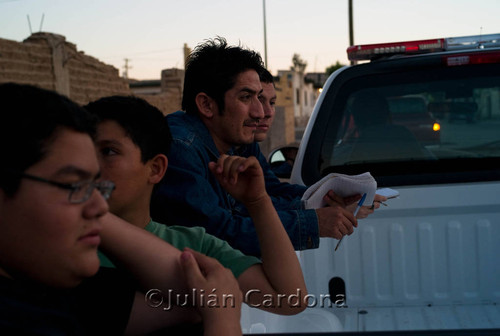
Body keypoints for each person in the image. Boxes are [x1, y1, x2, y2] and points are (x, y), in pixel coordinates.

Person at [0, 83, 243, 335]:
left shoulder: (54, 288)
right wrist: (224, 325)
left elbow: (192, 301)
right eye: (72, 186)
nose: (98, 207)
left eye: (96, 186)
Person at [85, 95, 307, 315]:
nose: (88, 167)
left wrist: (258, 202)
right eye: (84, 154)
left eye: (108, 152)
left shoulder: (195, 248)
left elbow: (290, 299)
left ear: (155, 169)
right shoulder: (67, 245)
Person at [151, 37, 370, 257]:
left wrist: (329, 198)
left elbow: (268, 192)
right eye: (246, 97)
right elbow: (216, 235)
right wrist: (313, 222)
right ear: (207, 105)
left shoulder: (237, 138)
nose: (260, 112)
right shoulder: (179, 149)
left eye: (261, 98)